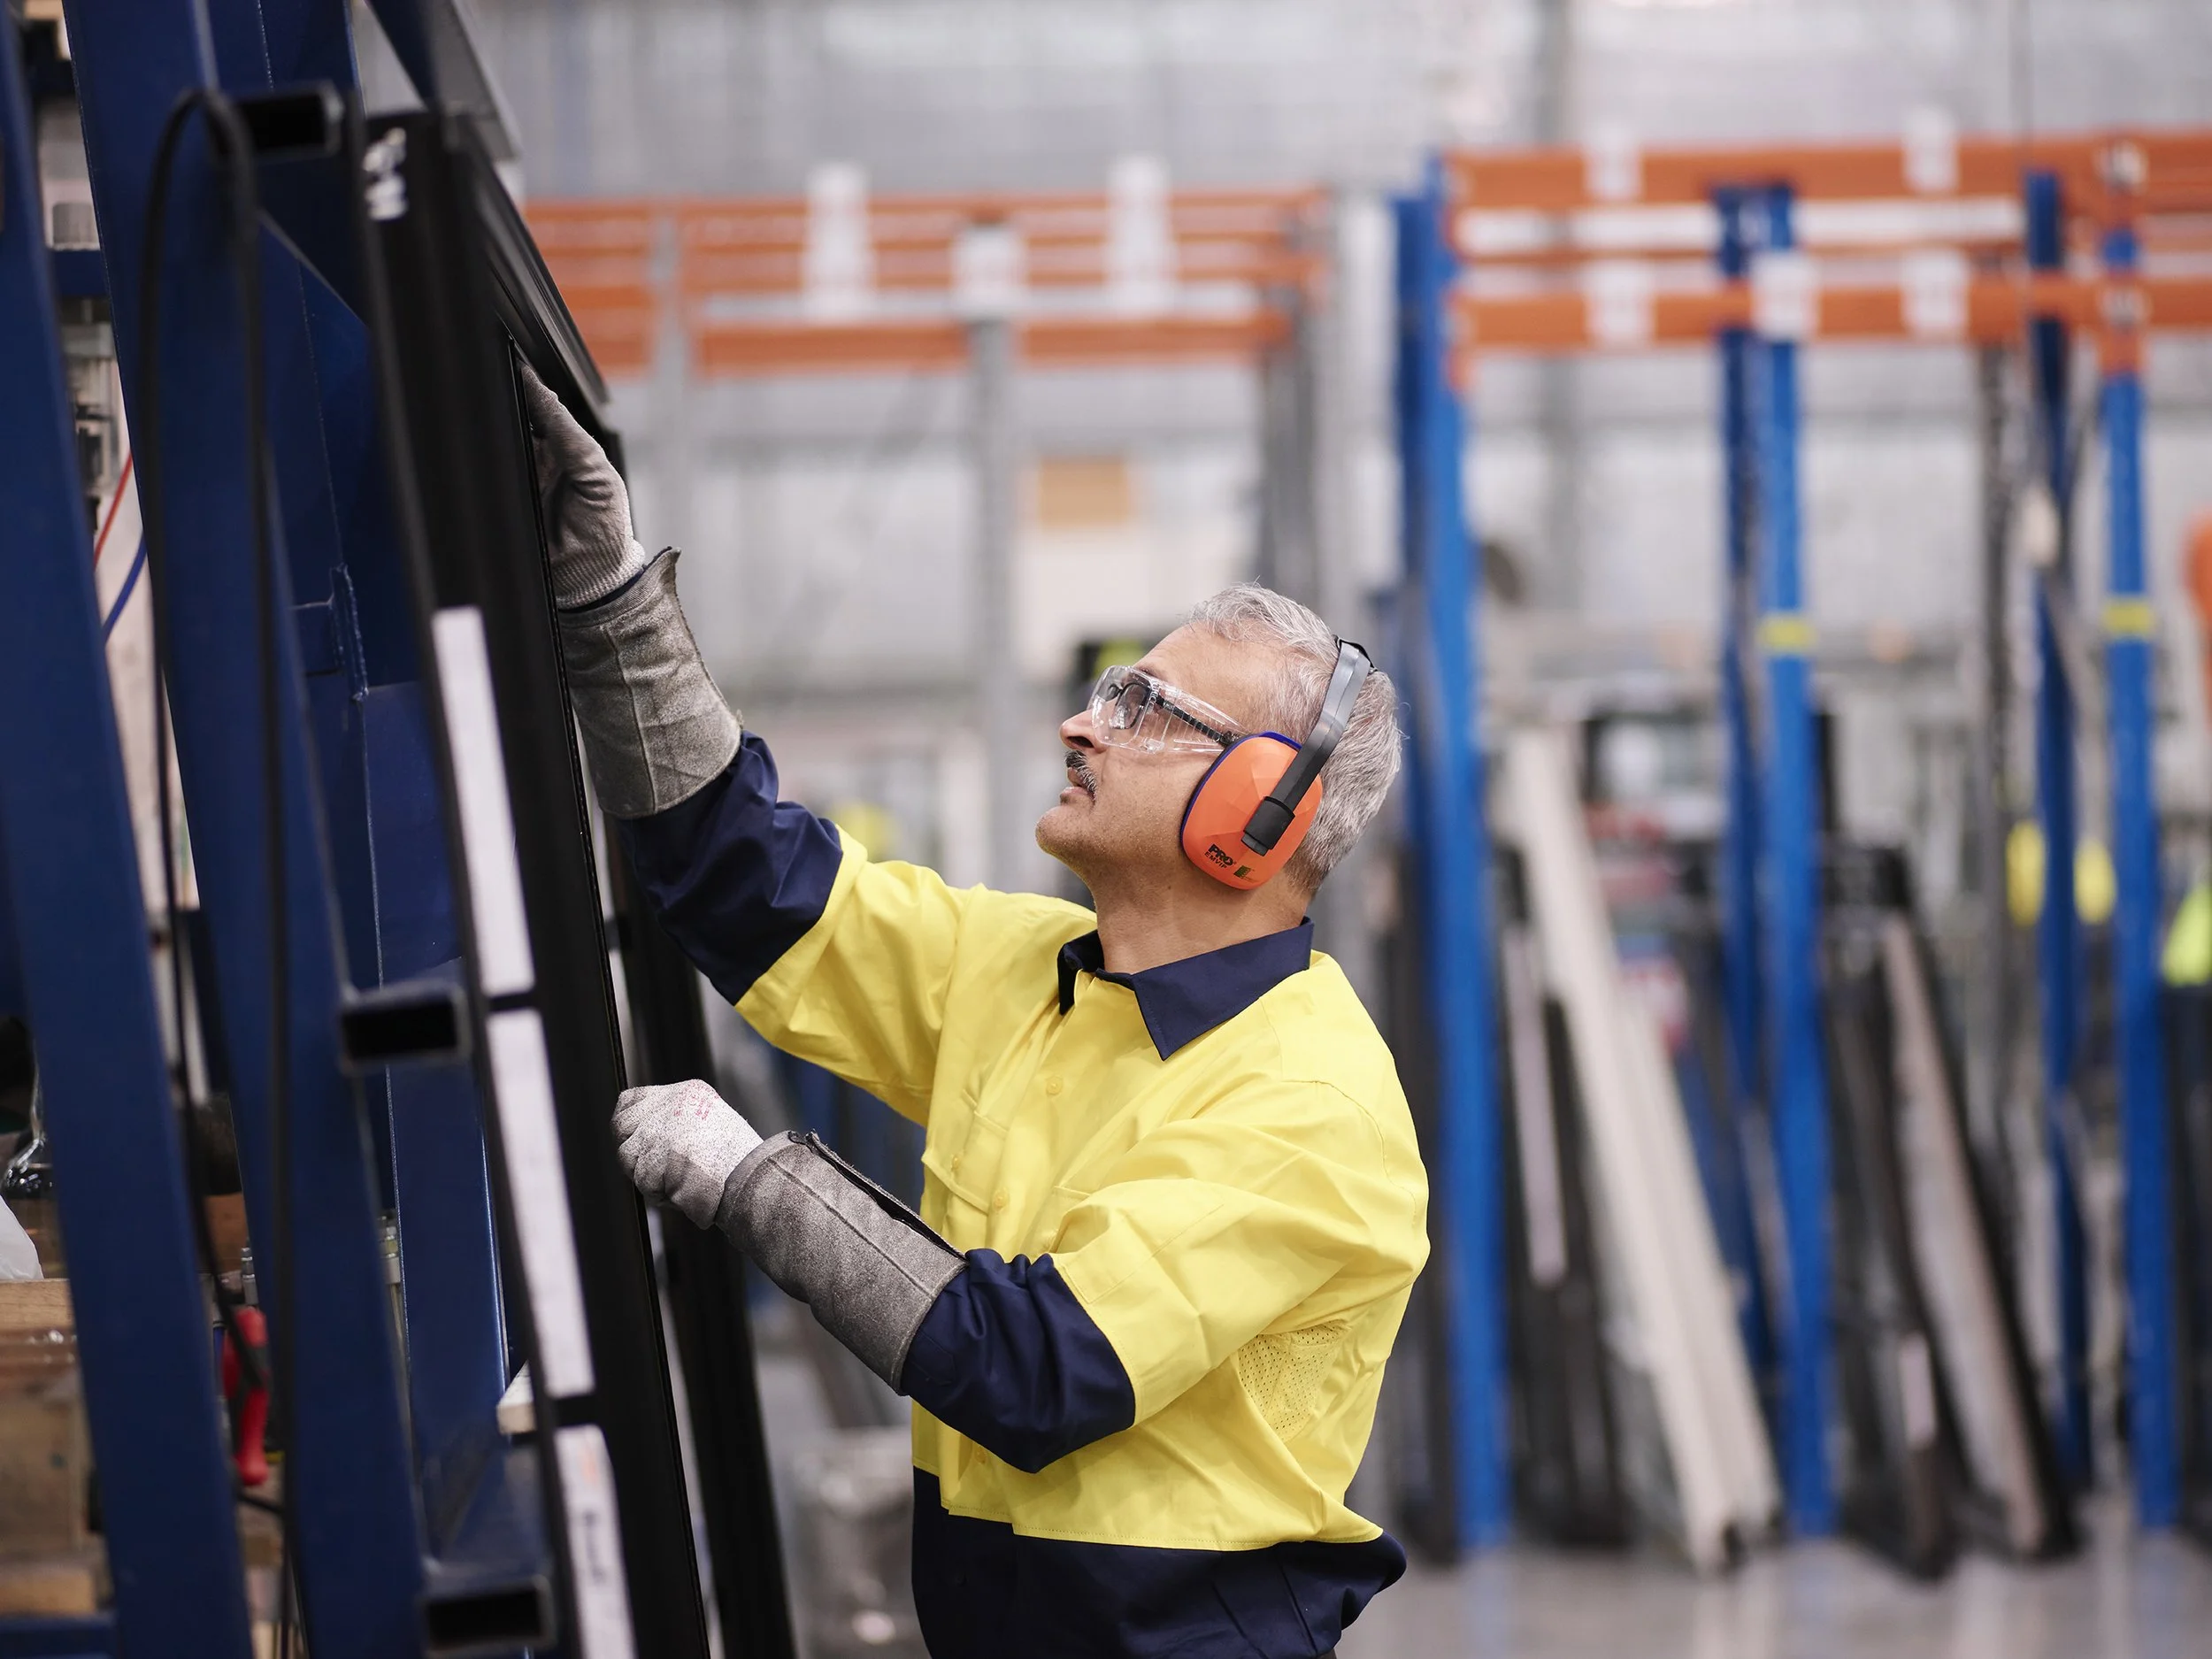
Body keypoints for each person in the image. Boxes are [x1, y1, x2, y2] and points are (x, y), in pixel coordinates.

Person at [521, 366, 1428, 1659]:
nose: (1083, 721)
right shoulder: (1029, 968)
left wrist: (750, 1180)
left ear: (1261, 810)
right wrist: (611, 602)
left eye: (1146, 706)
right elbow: (753, 886)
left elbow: (1035, 1369)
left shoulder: (1308, 1100)